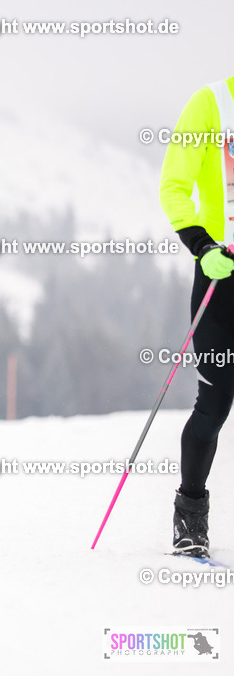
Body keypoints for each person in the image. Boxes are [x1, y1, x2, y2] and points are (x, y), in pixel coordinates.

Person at [160, 75, 234, 557]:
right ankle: (191, 520)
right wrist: (201, 245)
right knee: (216, 399)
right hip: (220, 274)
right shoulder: (212, 104)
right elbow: (174, 186)